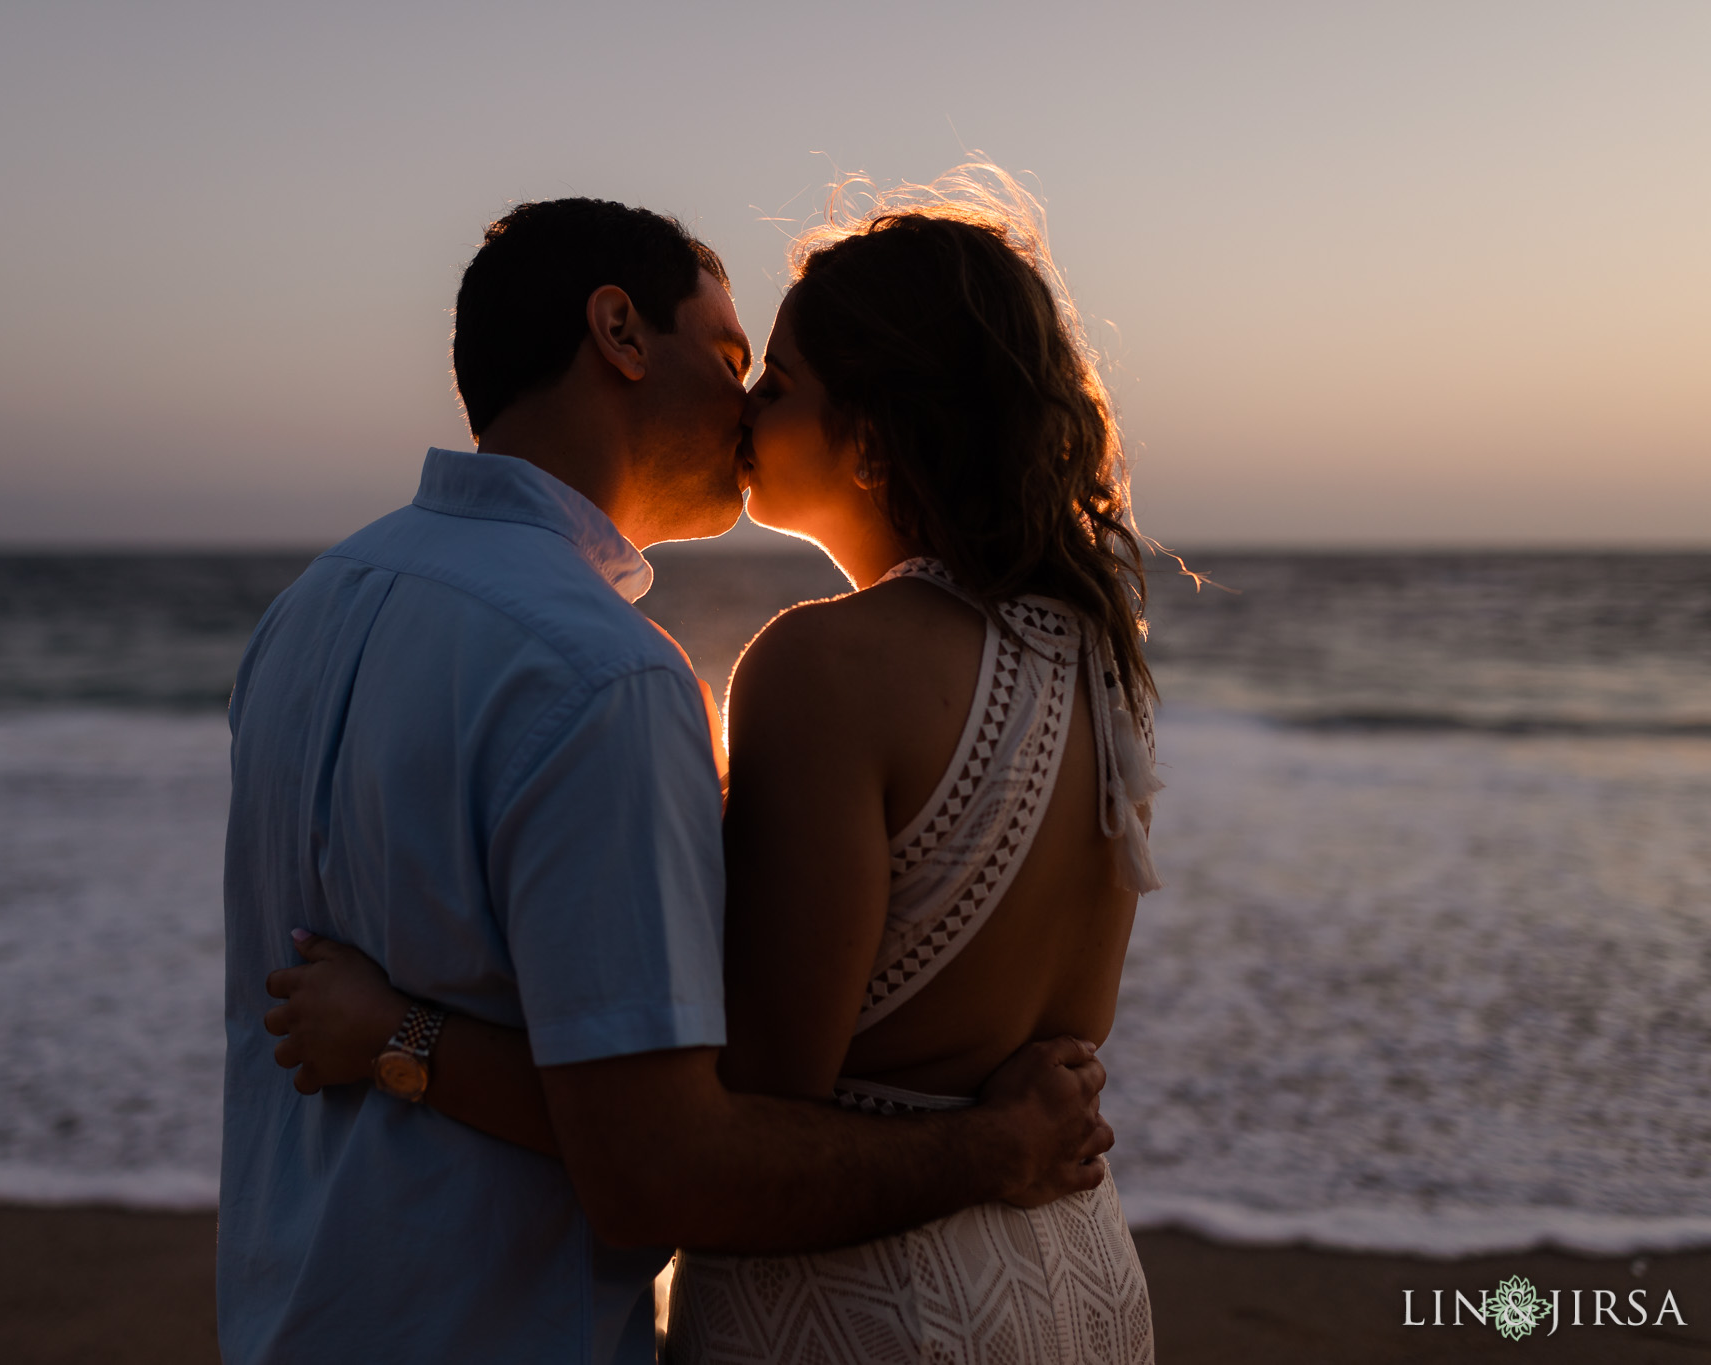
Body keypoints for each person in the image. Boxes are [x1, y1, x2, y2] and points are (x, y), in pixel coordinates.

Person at [265, 169, 1165, 1363]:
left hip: (864, 1303)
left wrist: (398, 1034)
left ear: (876, 433)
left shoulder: (820, 666)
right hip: (1080, 1277)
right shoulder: (1095, 660)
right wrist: (1001, 1141)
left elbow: (723, 1117)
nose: (744, 411)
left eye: (775, 383)